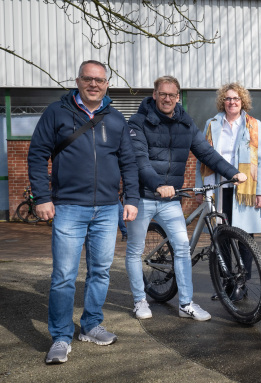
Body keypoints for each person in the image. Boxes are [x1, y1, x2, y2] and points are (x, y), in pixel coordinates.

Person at [27, 60, 140, 364]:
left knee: (100, 272)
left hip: (106, 209)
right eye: (88, 79)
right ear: (77, 81)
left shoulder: (116, 119)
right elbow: (37, 154)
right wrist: (42, 197)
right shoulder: (57, 112)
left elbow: (129, 163)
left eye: (100, 80)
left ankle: (90, 325)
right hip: (68, 208)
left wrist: (131, 200)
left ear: (107, 84)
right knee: (64, 276)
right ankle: (61, 336)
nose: (94, 84)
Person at [125, 76, 247, 321]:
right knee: (135, 250)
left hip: (171, 199)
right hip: (143, 196)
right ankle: (140, 300)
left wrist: (232, 172)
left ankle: (186, 304)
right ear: (155, 95)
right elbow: (139, 161)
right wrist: (158, 184)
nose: (167, 99)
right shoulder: (138, 123)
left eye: (172, 95)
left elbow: (206, 152)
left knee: (182, 248)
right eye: (163, 94)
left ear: (178, 97)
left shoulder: (185, 122)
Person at [195, 82, 261, 302]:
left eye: (236, 98)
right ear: (222, 102)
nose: (231, 102)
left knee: (245, 237)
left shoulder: (254, 125)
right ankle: (227, 281)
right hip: (218, 188)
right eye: (227, 98)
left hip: (245, 189)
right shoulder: (212, 123)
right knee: (222, 237)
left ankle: (242, 283)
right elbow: (203, 158)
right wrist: (200, 187)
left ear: (242, 101)